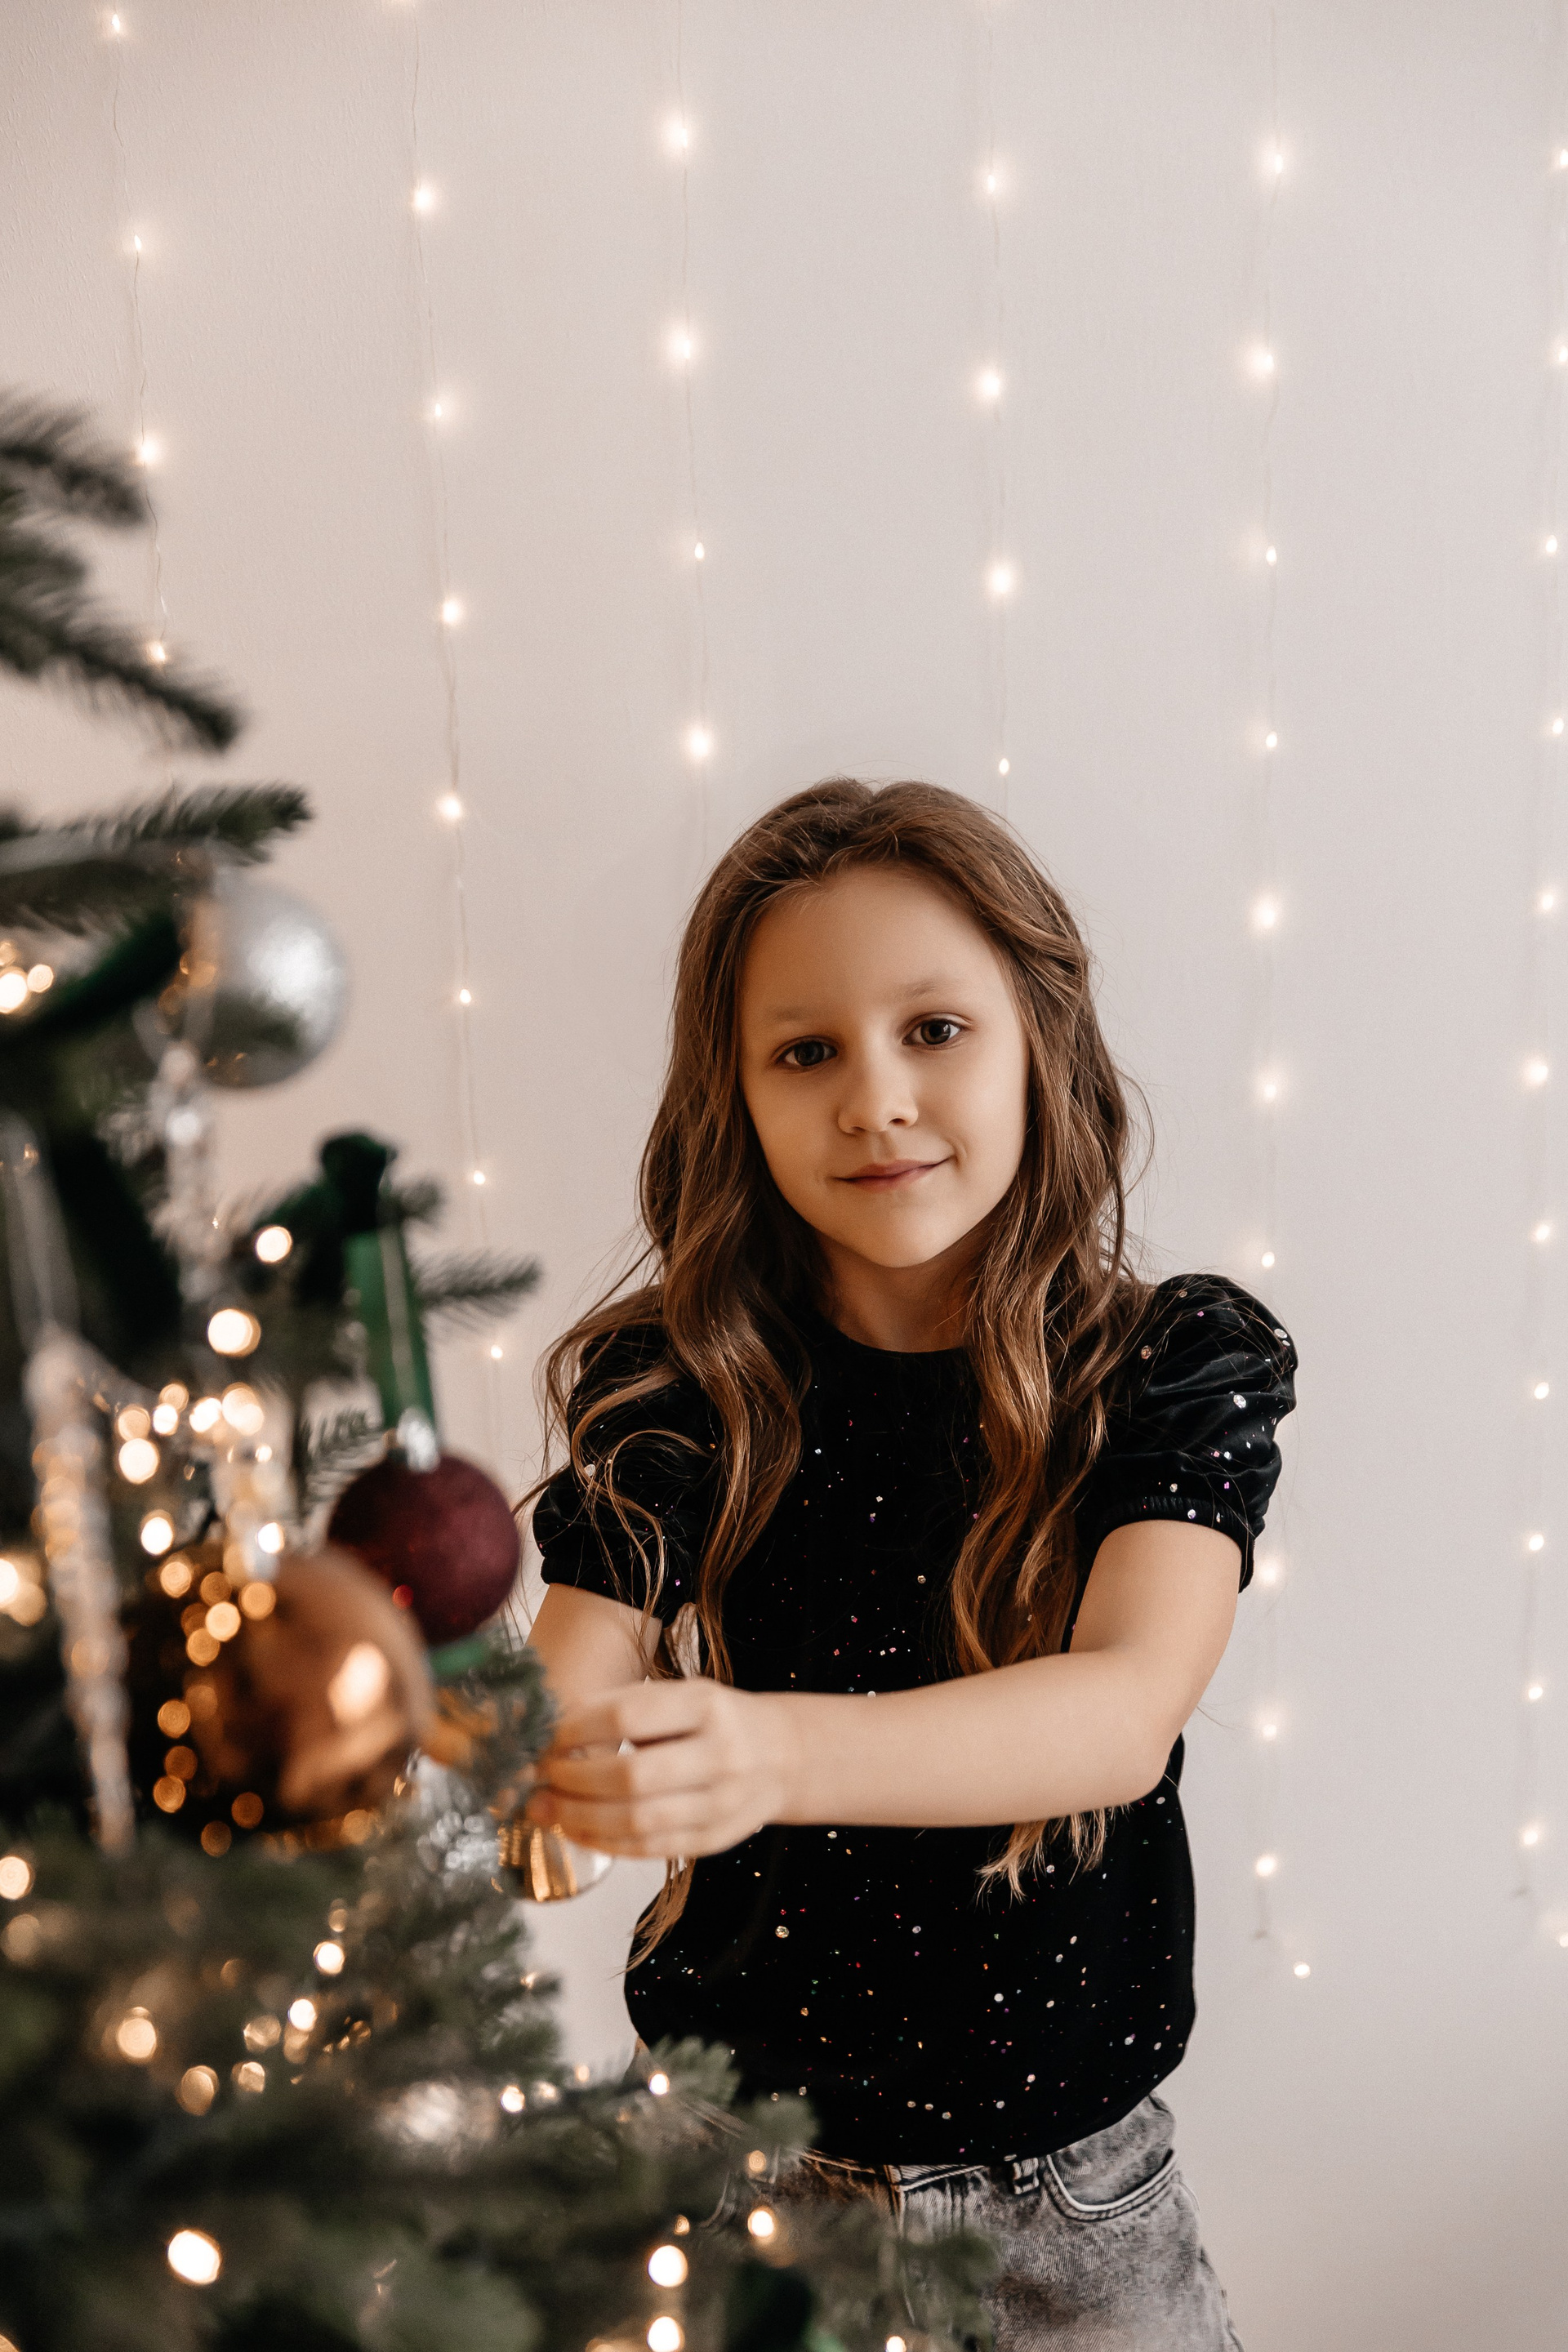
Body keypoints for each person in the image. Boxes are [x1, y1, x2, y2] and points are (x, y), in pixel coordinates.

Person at [524, 778, 1296, 2350]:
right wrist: (533, 1761)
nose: (875, 1100)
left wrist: (766, 1753)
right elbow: (569, 1669)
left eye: (933, 1030)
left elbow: (1123, 1709)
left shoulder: (1168, 1365)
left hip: (1076, 2230)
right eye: (806, 1052)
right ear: (734, 1097)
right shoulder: (681, 1390)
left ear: (1040, 1042)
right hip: (729, 2202)